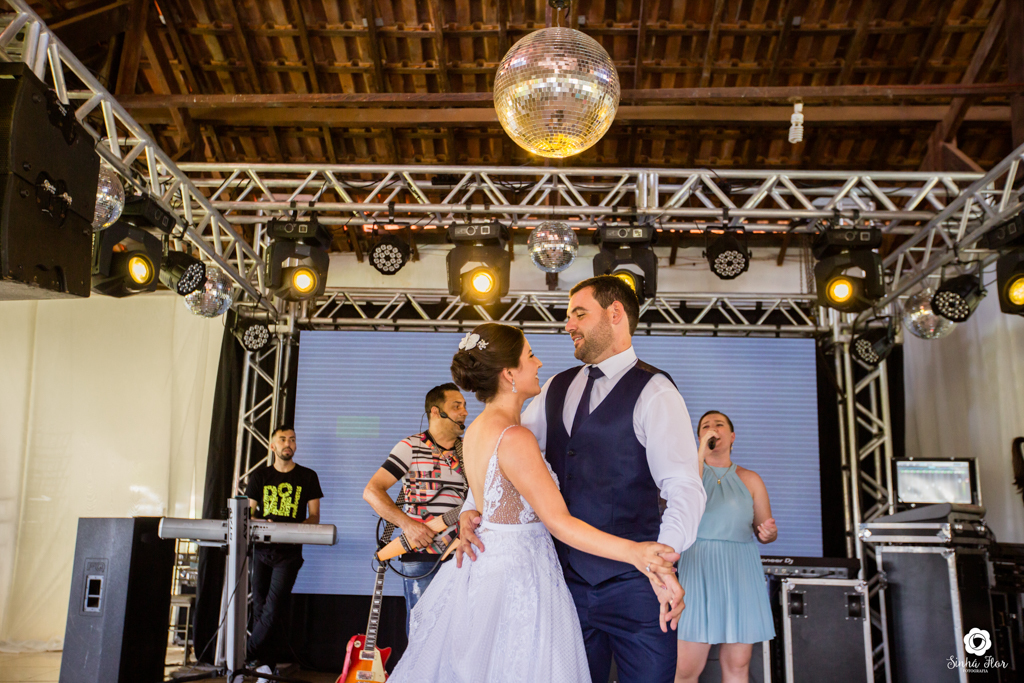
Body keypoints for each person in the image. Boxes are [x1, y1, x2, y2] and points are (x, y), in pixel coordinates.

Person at [388, 323, 679, 682]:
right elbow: (560, 522)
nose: (539, 362)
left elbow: (485, 494)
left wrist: (467, 514)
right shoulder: (515, 437)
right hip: (519, 577)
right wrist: (636, 552)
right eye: (530, 355)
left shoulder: (478, 428)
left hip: (488, 568)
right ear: (509, 373)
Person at [458, 275, 707, 683]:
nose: (568, 325)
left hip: (635, 586)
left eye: (578, 314)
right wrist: (472, 508)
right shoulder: (556, 387)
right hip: (562, 584)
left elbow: (683, 486)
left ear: (615, 314)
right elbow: (503, 455)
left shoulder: (656, 391)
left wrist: (662, 560)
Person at [674, 411, 777, 683]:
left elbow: (764, 529)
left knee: (738, 664)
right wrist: (698, 455)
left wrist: (769, 533)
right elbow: (685, 499)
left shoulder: (750, 479)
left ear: (732, 437)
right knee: (685, 668)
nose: (712, 428)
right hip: (698, 568)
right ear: (699, 437)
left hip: (739, 571)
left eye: (719, 424)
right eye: (705, 426)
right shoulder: (688, 474)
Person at [362, 383, 470, 633]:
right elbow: (372, 491)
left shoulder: (469, 450)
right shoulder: (410, 446)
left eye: (464, 406)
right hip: (420, 555)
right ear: (436, 411)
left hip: (462, 553)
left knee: (460, 632)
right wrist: (408, 525)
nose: (465, 412)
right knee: (423, 631)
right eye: (457, 406)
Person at [244, 424, 324, 679]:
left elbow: (314, 517)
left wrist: (295, 528)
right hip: (261, 551)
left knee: (272, 609)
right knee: (260, 609)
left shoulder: (308, 476)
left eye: (292, 439)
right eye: (282, 439)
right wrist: (263, 523)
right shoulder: (259, 477)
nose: (288, 443)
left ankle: (242, 656)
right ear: (272, 445)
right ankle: (266, 668)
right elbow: (248, 515)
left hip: (289, 554)